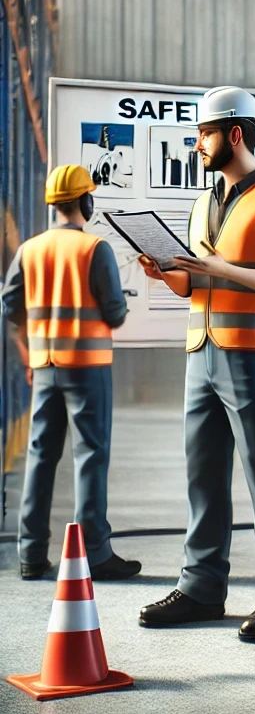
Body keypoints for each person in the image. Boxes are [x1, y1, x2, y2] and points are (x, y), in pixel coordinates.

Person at [137, 86, 255, 641]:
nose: (197, 143)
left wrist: (222, 267)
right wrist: (168, 273)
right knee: (203, 477)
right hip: (202, 353)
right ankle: (201, 587)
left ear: (235, 133)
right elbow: (201, 281)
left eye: (205, 133)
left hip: (253, 357)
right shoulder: (203, 199)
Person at [1, 164, 140, 580]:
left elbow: (10, 308)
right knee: (90, 457)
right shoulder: (95, 250)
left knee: (42, 457)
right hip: (87, 367)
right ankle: (93, 554)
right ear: (86, 202)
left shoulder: (29, 250)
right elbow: (114, 313)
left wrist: (31, 348)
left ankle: (31, 554)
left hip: (45, 367)